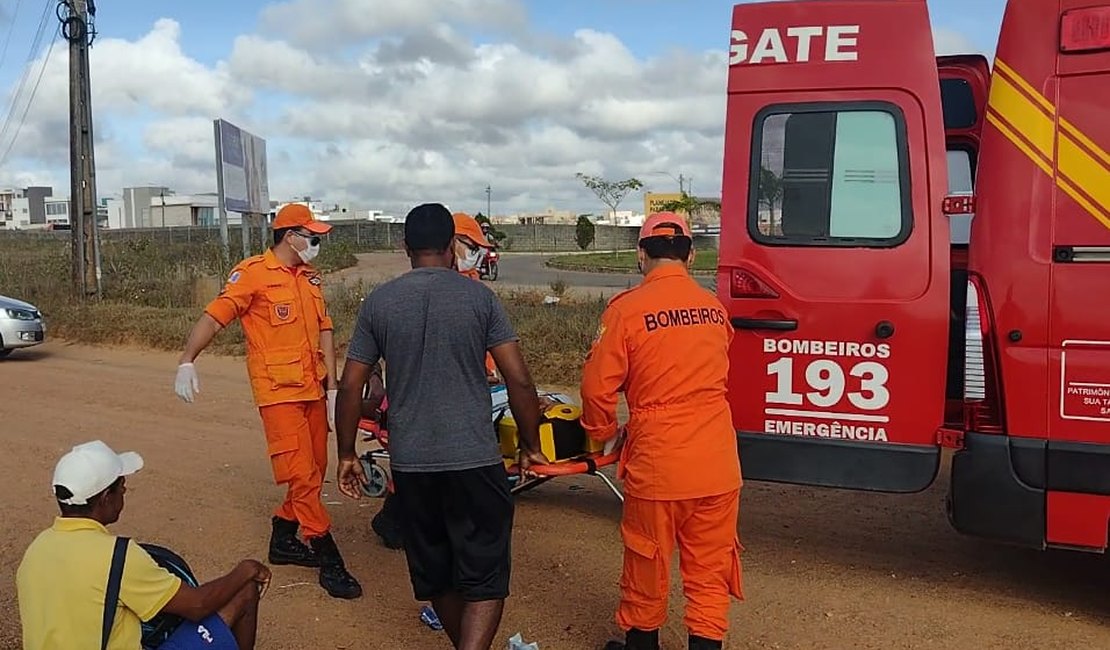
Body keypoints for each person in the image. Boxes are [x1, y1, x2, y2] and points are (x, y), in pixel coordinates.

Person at [334, 202, 550, 650]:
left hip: (413, 466)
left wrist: (347, 454)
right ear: (452, 245)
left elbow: (351, 385)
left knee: (438, 575)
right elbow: (519, 379)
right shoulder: (479, 299)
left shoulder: (380, 303)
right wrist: (530, 444)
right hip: (474, 460)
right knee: (486, 577)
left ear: (405, 247)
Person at [172, 203, 362, 600]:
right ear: (289, 235)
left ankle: (283, 535)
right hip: (278, 394)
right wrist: (187, 360)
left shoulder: (310, 277)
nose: (317, 243)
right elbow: (214, 317)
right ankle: (329, 558)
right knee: (303, 476)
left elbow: (325, 328)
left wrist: (332, 388)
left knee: (317, 466)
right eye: (312, 236)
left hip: (312, 388)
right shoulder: (253, 274)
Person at [579, 212, 744, 650]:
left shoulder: (626, 311)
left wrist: (601, 432)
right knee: (709, 571)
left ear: (640, 254)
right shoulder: (714, 309)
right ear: (690, 255)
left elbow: (597, 388)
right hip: (718, 463)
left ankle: (642, 644)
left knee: (646, 562)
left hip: (660, 463)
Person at [17, 440, 270, 650]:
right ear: (106, 498)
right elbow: (197, 605)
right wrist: (245, 569)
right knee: (243, 591)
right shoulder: (118, 555)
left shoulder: (37, 549)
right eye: (122, 489)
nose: (124, 494)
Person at [369, 210, 502, 551]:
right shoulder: (455, 294)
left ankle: (399, 519)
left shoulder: (472, 289)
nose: (475, 254)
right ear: (450, 244)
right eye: (470, 246)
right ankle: (399, 520)